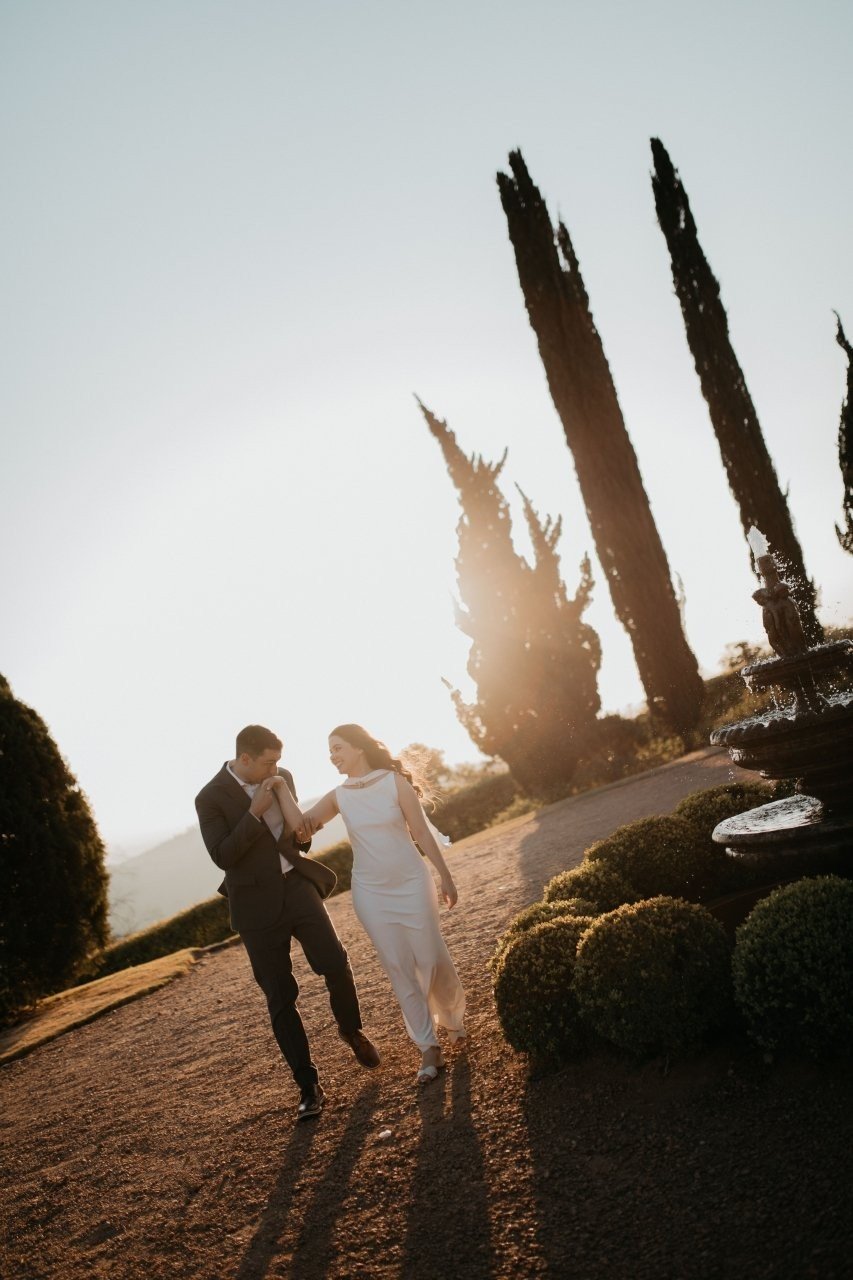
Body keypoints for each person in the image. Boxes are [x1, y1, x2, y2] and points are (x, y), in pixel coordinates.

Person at [195, 724, 380, 1124]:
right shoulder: (209, 797)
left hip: (297, 888)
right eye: (268, 762)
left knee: (336, 962)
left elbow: (302, 840)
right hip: (254, 908)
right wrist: (253, 813)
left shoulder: (282, 778)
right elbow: (223, 855)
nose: (275, 768)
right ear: (245, 759)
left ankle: (351, 1030)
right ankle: (308, 1085)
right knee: (280, 997)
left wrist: (285, 802)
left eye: (278, 760)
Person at [271, 724, 466, 1085]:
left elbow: (421, 832)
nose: (332, 756)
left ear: (359, 747)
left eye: (338, 748)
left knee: (430, 956)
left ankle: (452, 1018)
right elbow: (302, 829)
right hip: (370, 892)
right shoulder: (339, 796)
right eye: (330, 751)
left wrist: (445, 876)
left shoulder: (394, 782)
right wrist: (282, 788)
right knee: (399, 966)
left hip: (412, 882)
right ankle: (428, 1047)